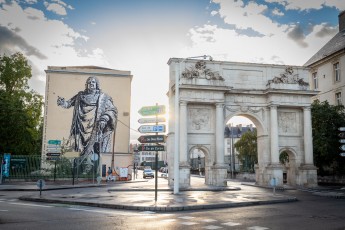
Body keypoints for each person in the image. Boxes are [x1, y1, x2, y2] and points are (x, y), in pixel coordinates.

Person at [57, 76, 118, 172]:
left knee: (95, 148)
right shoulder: (80, 96)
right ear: (86, 85)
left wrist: (105, 118)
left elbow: (112, 110)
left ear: (97, 84)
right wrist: (62, 102)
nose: (91, 84)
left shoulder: (103, 97)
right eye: (89, 82)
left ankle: (92, 170)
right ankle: (79, 169)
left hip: (95, 127)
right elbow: (68, 104)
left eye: (93, 82)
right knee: (77, 149)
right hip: (81, 128)